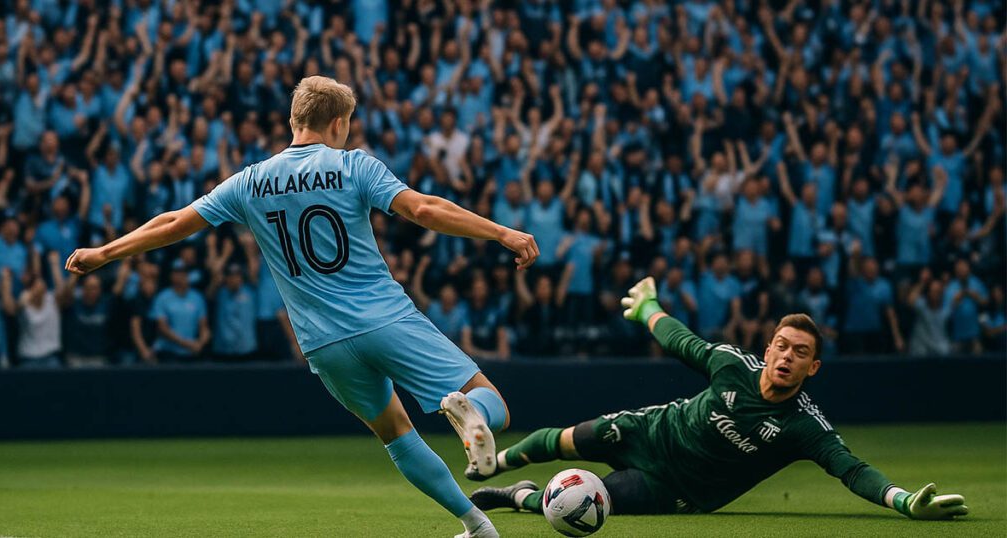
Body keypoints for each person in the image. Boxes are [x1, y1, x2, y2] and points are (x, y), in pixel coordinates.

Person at [65, 76, 540, 538]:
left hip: (323, 343)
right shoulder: (355, 165)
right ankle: (470, 415)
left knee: (396, 432)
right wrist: (501, 232)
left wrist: (104, 253)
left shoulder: (250, 181)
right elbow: (424, 210)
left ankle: (476, 525)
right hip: (385, 318)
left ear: (294, 120)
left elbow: (173, 222)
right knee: (493, 403)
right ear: (337, 123)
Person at [469, 277, 968, 521]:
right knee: (565, 438)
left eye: (800, 353)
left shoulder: (803, 425)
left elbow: (852, 470)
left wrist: (903, 501)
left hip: (676, 488)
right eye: (781, 345)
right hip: (653, 429)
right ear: (768, 345)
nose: (786, 356)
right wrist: (648, 309)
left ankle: (518, 496)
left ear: (812, 368)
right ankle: (499, 464)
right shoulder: (734, 364)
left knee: (583, 503)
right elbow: (681, 341)